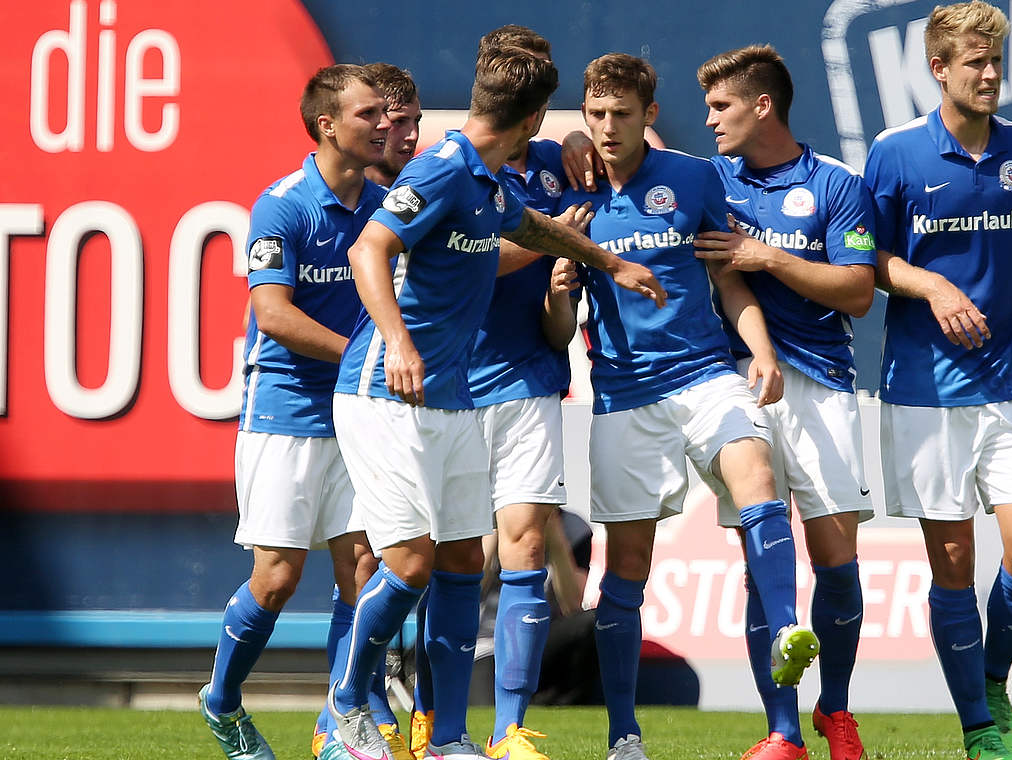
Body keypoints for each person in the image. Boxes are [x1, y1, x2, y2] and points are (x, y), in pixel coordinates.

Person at [322, 46, 665, 760]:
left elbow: (531, 227)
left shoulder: (487, 182)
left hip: (451, 398)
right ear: (536, 116)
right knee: (411, 564)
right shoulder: (443, 170)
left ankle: (448, 735)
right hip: (384, 392)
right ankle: (346, 704)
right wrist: (399, 342)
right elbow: (369, 250)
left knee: (455, 565)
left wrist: (611, 264)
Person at [557, 53, 818, 760]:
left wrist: (758, 349)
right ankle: (623, 736)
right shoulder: (569, 194)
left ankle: (790, 636)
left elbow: (729, 279)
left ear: (650, 117)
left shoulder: (693, 178)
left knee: (757, 472)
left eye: (622, 114)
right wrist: (558, 285)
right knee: (626, 568)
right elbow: (559, 330)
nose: (608, 128)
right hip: (622, 395)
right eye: (597, 114)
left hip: (704, 373)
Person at [863, 3, 1012, 759]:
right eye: (974, 63)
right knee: (954, 563)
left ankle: (992, 678)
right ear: (939, 69)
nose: (990, 74)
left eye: (996, 61)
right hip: (925, 388)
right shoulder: (895, 154)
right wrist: (929, 286)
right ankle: (978, 728)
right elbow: (868, 264)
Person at [405, 24, 593, 760]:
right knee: (447, 561)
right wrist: (553, 240)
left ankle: (510, 730)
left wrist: (578, 141)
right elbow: (460, 257)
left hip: (530, 381)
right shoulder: (444, 169)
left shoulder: (556, 163)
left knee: (521, 547)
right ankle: (430, 716)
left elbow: (617, 150)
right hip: (451, 386)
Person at [197, 63, 391, 760]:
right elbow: (272, 314)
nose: (383, 125)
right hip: (285, 408)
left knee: (362, 567)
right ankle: (222, 703)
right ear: (326, 125)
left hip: (357, 412)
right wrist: (362, 355)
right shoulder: (283, 205)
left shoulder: (384, 204)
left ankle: (342, 722)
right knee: (276, 580)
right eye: (368, 113)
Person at [691, 44, 877, 760]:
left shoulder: (835, 183)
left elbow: (858, 292)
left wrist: (768, 257)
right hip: (739, 378)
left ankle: (834, 709)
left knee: (836, 561)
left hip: (823, 381)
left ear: (762, 105)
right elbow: (630, 151)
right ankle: (781, 732)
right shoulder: (711, 179)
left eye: (721, 106)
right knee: (759, 554)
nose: (709, 120)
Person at [310, 61, 425, 760]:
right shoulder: (336, 200)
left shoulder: (431, 186)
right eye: (385, 118)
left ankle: (399, 713)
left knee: (401, 558)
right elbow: (272, 311)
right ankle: (346, 711)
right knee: (360, 561)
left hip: (414, 395)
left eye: (408, 119)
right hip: (350, 399)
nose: (397, 131)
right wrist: (370, 353)